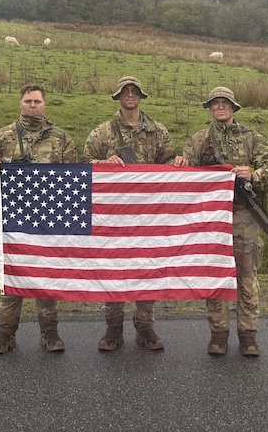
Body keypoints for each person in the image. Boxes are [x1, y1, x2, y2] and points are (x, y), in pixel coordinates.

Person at [83, 76, 179, 351]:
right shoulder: (102, 132)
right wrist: (104, 163)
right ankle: (113, 329)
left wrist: (178, 163)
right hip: (113, 216)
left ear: (141, 96)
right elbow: (84, 163)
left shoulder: (158, 131)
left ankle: (145, 328)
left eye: (134, 91)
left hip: (148, 216)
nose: (130, 95)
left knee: (147, 269)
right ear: (117, 97)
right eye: (125, 92)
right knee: (114, 270)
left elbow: (170, 162)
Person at [183, 86, 268, 357]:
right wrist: (181, 164)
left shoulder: (252, 138)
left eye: (225, 103)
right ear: (210, 108)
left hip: (245, 215)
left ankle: (248, 334)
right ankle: (218, 334)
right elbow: (186, 172)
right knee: (215, 275)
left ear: (233, 107)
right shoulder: (199, 139)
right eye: (215, 103)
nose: (220, 107)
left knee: (246, 275)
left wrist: (253, 174)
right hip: (212, 217)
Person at [0, 84, 79, 354]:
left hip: (49, 222)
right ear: (20, 104)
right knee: (11, 280)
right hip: (13, 223)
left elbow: (74, 176)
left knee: (46, 279)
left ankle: (49, 333)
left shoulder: (61, 139)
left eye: (37, 101)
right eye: (28, 101)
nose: (32, 105)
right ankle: (5, 334)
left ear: (44, 104)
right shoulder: (2, 138)